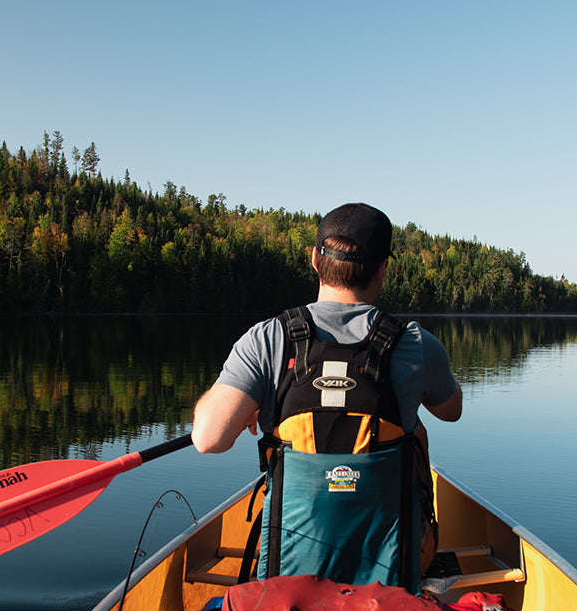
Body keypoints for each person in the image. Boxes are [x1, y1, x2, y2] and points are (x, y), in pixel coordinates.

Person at [192, 202, 462, 590]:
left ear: (314, 259)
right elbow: (451, 411)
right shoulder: (417, 344)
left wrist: (250, 404)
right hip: (391, 583)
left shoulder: (267, 338)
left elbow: (208, 439)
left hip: (289, 580)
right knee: (413, 430)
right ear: (383, 267)